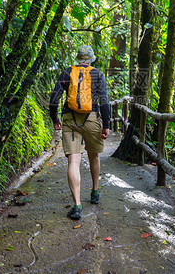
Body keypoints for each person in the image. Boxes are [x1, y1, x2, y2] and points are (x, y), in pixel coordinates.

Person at [49, 45, 111, 220]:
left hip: (70, 119)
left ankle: (77, 206)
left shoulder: (67, 72)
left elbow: (54, 98)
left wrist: (55, 119)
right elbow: (104, 101)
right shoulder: (98, 74)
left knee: (73, 161)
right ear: (91, 59)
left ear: (78, 58)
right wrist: (106, 124)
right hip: (92, 119)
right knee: (94, 155)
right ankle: (95, 191)